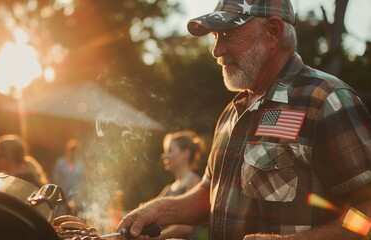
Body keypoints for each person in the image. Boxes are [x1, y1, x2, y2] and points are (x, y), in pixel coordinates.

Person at [118, 0, 371, 239]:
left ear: (272, 32)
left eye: (228, 34)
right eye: (216, 37)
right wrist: (159, 210)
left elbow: (367, 211)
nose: (217, 51)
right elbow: (211, 194)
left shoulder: (326, 100)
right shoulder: (232, 112)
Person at [154, 130, 205, 239]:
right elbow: (150, 212)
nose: (164, 156)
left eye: (170, 150)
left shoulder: (194, 182)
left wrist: (154, 238)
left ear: (185, 154)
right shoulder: (168, 189)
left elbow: (186, 227)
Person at [52, 138, 87, 215]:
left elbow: (83, 181)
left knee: (77, 218)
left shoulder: (81, 165)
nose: (74, 153)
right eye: (72, 150)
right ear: (67, 150)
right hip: (63, 197)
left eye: (76, 151)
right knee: (61, 218)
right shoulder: (60, 164)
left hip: (77, 198)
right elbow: (55, 180)